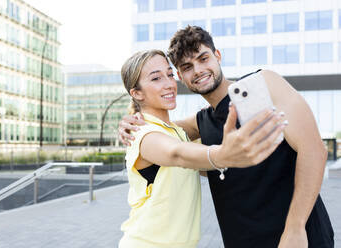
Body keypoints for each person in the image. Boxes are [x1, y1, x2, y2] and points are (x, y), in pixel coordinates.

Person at [118, 26, 334, 248]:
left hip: (299, 238)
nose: (199, 70)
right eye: (187, 67)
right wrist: (131, 122)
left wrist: (296, 228)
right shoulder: (200, 123)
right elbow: (162, 137)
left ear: (217, 56)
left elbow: (314, 150)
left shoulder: (262, 84)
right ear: (181, 77)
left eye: (204, 59)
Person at [118, 49, 286, 248]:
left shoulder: (175, 132)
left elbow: (195, 160)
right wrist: (223, 155)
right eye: (156, 78)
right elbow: (177, 153)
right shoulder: (141, 133)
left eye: (170, 75)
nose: (169, 84)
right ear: (137, 93)